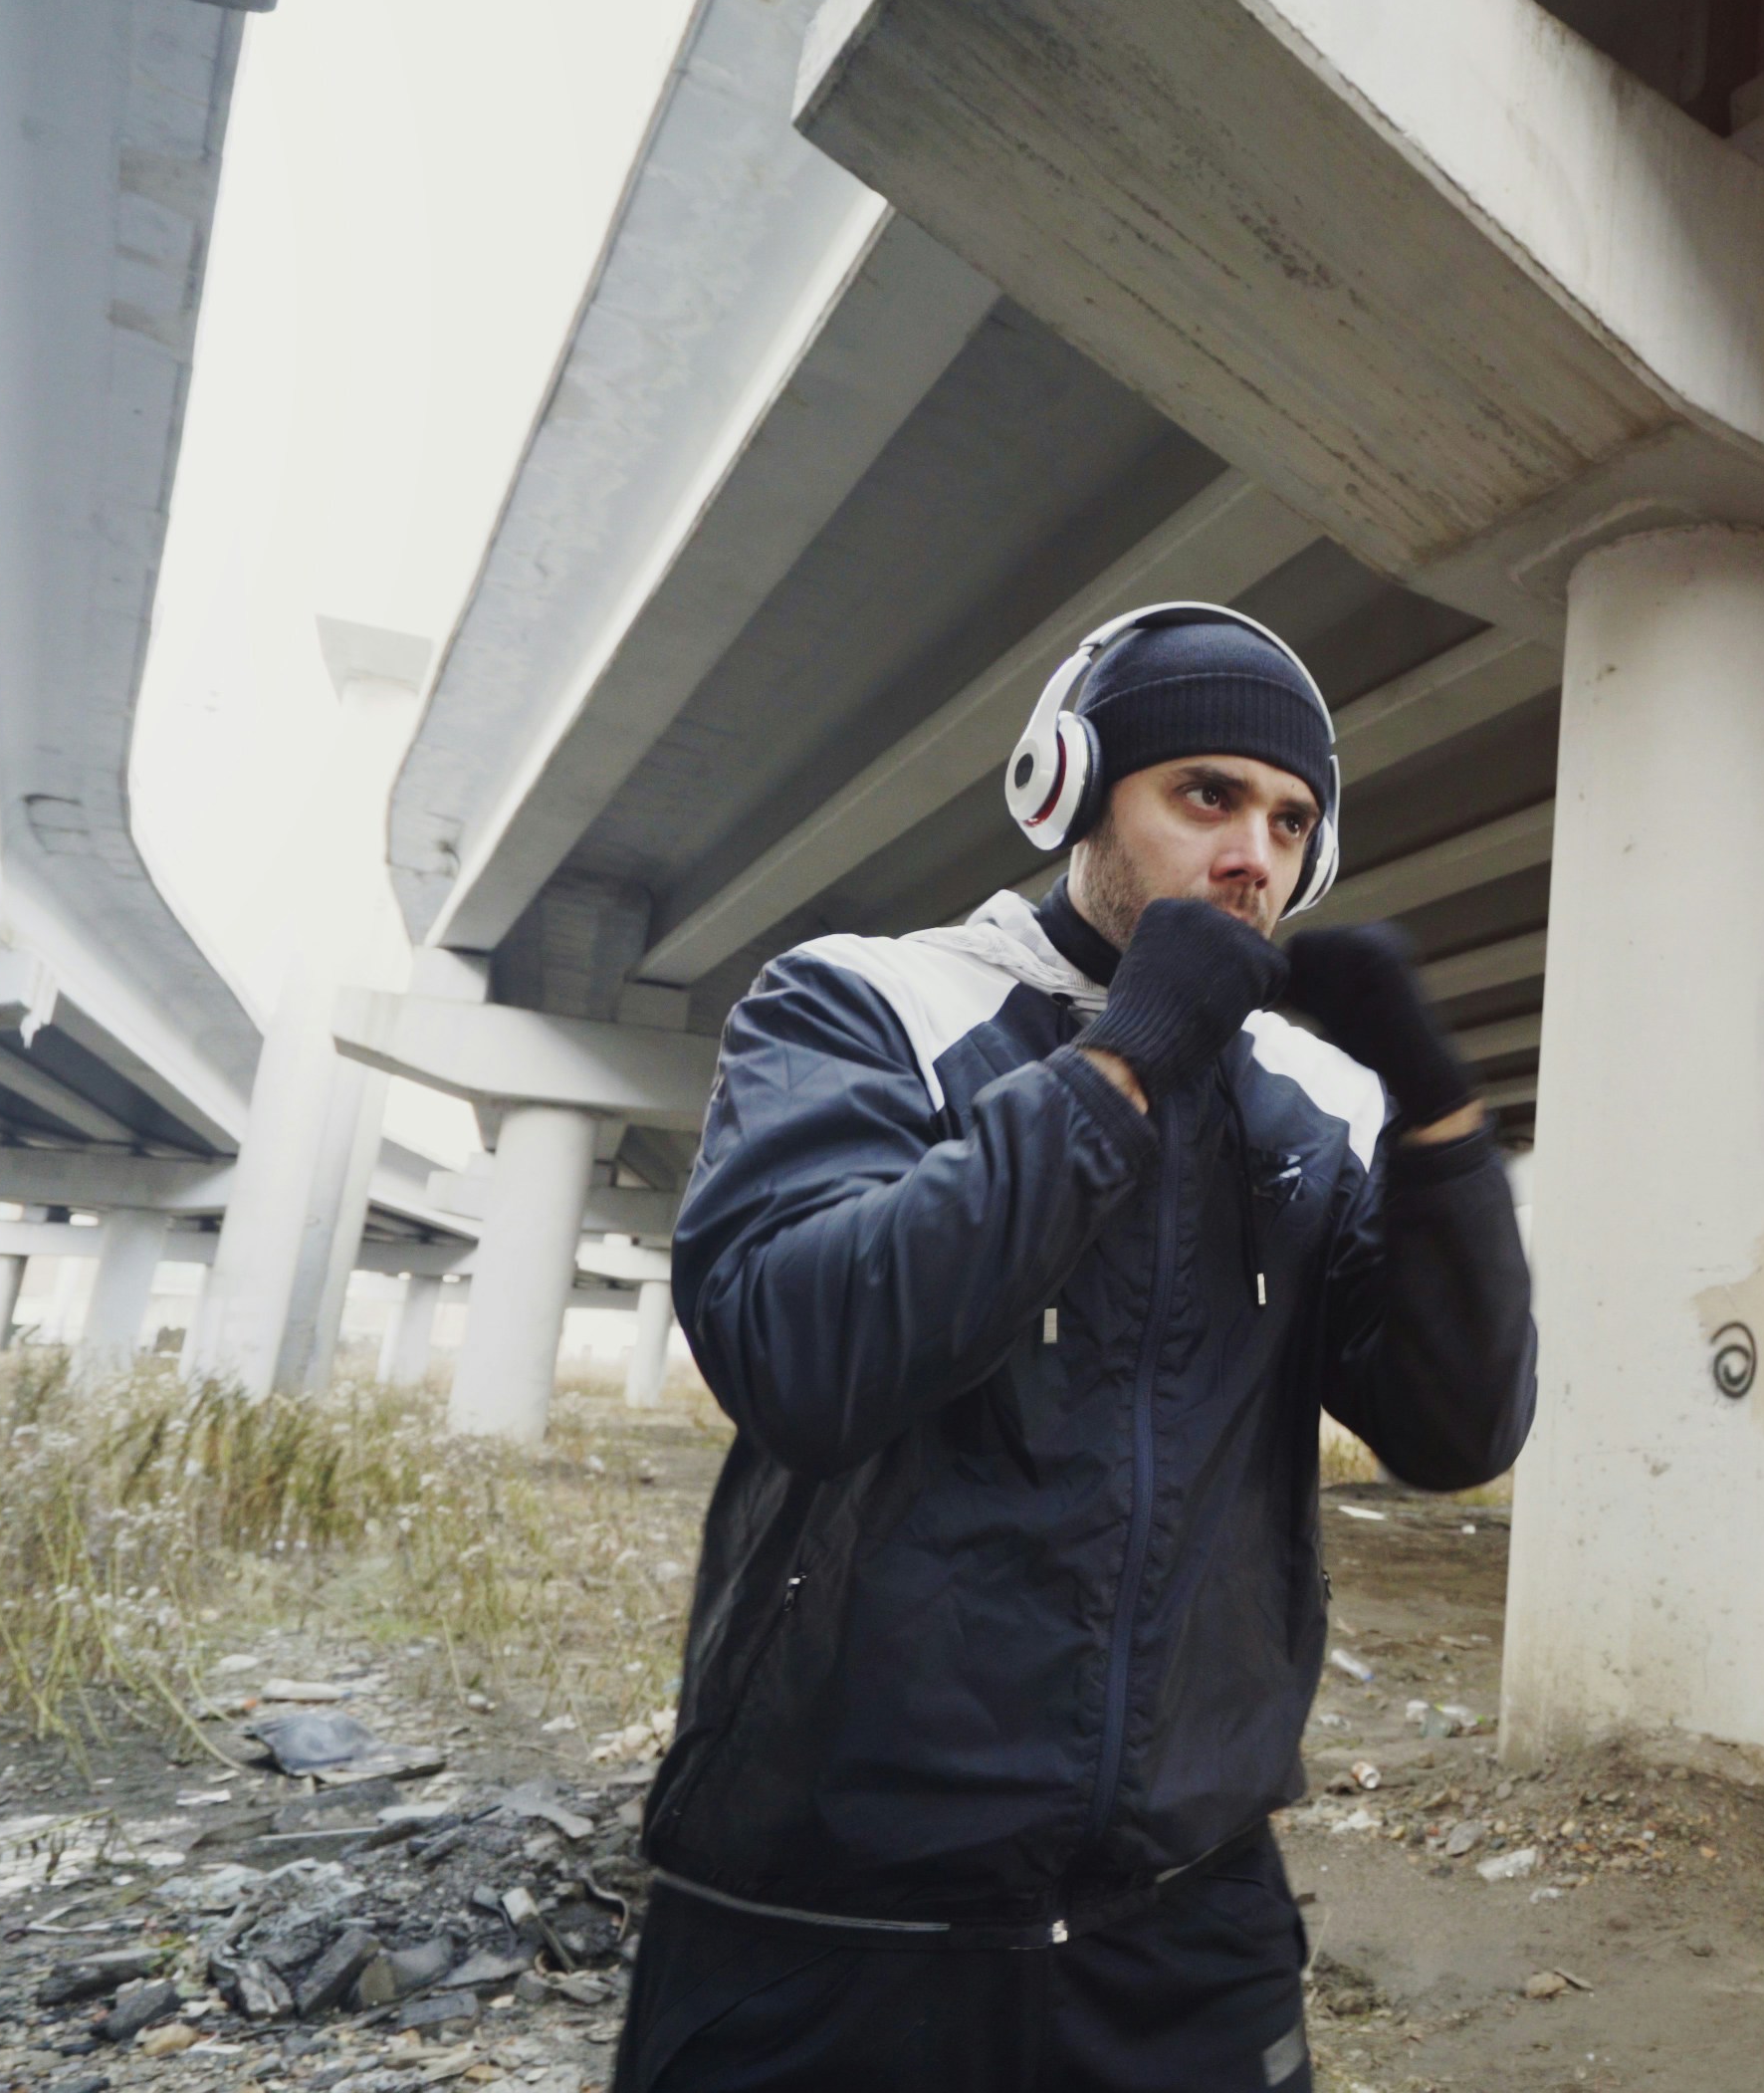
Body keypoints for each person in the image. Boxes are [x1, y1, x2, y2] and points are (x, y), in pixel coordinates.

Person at [615, 603, 1535, 2091]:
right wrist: (1123, 1064)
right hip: (834, 1910)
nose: (1256, 855)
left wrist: (1436, 1123)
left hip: (1182, 1919)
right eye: (1206, 797)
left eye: (1293, 818)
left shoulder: (1305, 1113)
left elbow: (1459, 1430)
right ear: (1068, 793)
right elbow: (803, 1352)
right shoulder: (866, 1005)